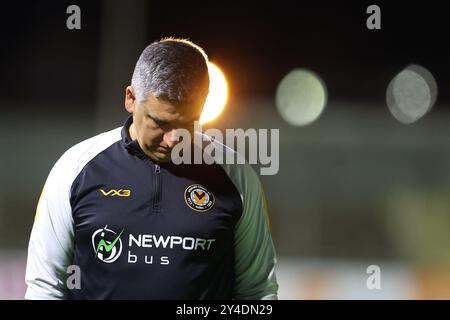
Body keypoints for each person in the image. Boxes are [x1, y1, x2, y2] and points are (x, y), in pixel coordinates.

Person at [25, 38, 279, 299]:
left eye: (188, 124)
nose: (173, 139)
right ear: (131, 99)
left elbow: (258, 292)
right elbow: (46, 287)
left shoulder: (235, 175)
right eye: (160, 122)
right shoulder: (76, 168)